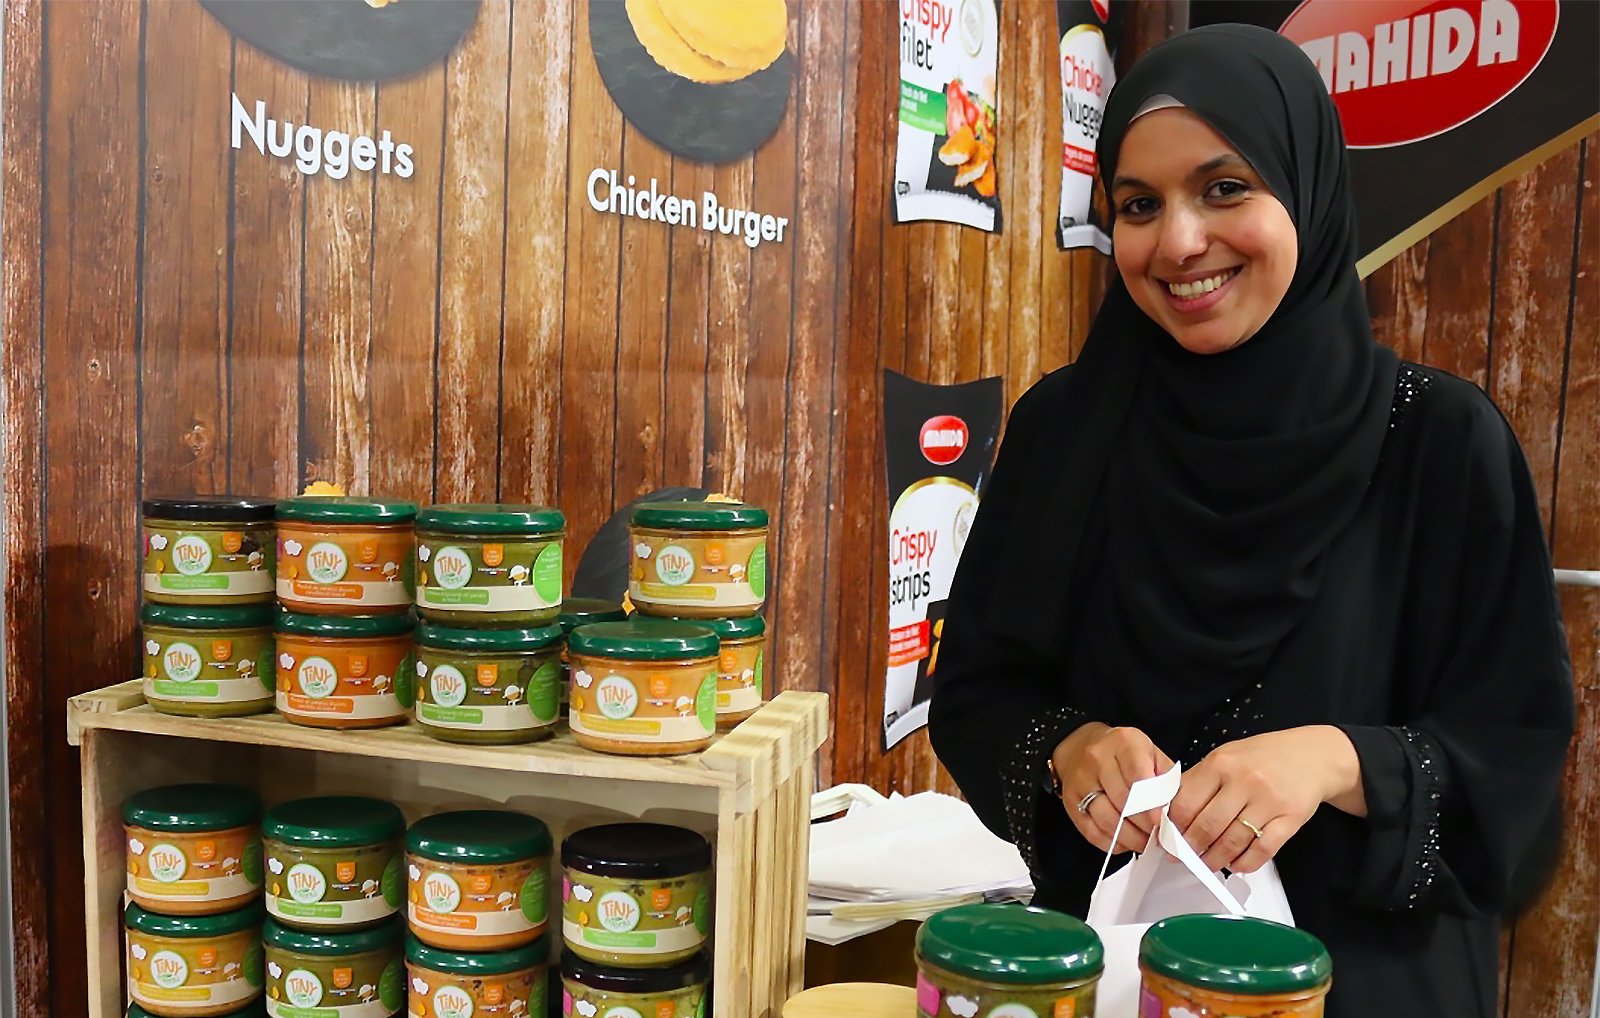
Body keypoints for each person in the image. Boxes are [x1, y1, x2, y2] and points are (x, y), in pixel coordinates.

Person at [928, 24, 1574, 1018]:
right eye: (1139, 205)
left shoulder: (1438, 444)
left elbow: (1516, 758)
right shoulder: (1063, 432)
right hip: (1111, 980)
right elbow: (978, 692)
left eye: (1224, 188)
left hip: (1368, 985)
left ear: (1304, 194)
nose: (1179, 242)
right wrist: (1066, 748)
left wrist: (1341, 762)